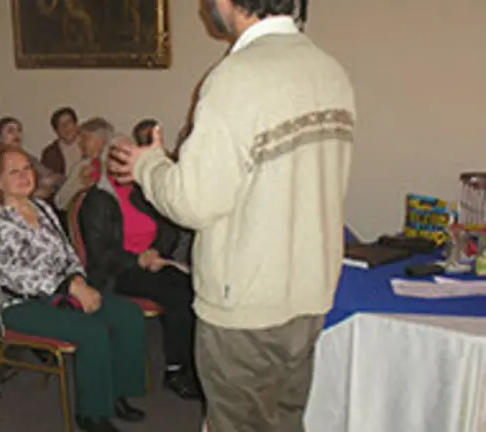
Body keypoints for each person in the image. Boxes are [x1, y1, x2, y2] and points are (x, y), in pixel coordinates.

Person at [109, 1, 356, 430]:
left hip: (247, 300)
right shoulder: (329, 69)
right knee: (284, 420)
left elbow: (193, 203)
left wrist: (148, 165)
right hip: (309, 291)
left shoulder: (236, 78)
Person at [0, 145, 147, 432]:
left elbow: (69, 253)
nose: (24, 176)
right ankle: (91, 415)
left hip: (65, 290)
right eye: (14, 171)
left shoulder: (42, 208)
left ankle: (116, 393)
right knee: (91, 331)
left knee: (128, 315)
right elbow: (18, 278)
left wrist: (78, 281)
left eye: (27, 169)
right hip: (21, 305)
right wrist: (69, 287)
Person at [78, 136, 201, 401]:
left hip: (150, 262)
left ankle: (193, 363)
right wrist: (138, 260)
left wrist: (156, 252)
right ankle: (176, 370)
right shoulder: (97, 201)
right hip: (117, 272)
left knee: (196, 287)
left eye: (127, 157)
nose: (123, 164)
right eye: (117, 158)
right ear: (106, 163)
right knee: (179, 293)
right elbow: (101, 255)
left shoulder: (141, 192)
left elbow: (166, 226)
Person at [53, 117, 111, 211]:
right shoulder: (81, 167)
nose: (79, 143)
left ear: (101, 140)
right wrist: (80, 185)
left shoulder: (118, 166)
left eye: (85, 138)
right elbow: (59, 202)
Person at [40, 106, 82, 176]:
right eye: (61, 124)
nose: (65, 127)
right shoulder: (50, 153)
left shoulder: (88, 144)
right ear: (56, 130)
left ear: (76, 124)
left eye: (69, 122)